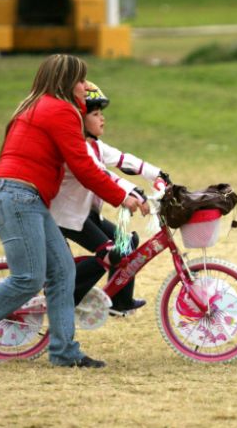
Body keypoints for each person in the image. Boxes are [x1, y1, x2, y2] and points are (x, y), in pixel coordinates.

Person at [0, 54, 146, 369]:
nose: (85, 86)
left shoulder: (35, 105)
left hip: (22, 197)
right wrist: (122, 197)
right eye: (80, 80)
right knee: (27, 278)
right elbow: (83, 167)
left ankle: (65, 352)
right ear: (67, 82)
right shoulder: (60, 110)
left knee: (62, 272)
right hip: (18, 197)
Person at [49, 81, 169, 316]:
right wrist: (135, 194)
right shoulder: (78, 147)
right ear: (80, 119)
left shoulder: (95, 145)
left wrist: (158, 174)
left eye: (101, 113)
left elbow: (125, 161)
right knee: (110, 253)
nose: (102, 119)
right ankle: (64, 300)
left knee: (126, 243)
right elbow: (104, 176)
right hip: (66, 216)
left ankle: (118, 302)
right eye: (95, 114)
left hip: (85, 215)